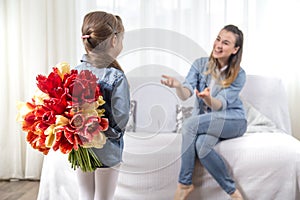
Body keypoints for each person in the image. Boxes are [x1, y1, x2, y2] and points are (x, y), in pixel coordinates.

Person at [161, 24, 247, 200]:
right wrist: (178, 86)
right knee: (202, 146)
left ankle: (184, 184)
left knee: (190, 124)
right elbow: (185, 93)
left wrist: (207, 98)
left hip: (234, 120)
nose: (218, 45)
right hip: (210, 121)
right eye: (218, 39)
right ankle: (234, 193)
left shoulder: (239, 74)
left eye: (225, 42)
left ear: (235, 49)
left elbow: (220, 105)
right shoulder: (200, 64)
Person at [75, 11, 130, 200]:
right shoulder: (116, 77)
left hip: (80, 147)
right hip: (108, 148)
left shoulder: (73, 72)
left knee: (85, 195)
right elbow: (121, 119)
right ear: (114, 41)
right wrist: (110, 134)